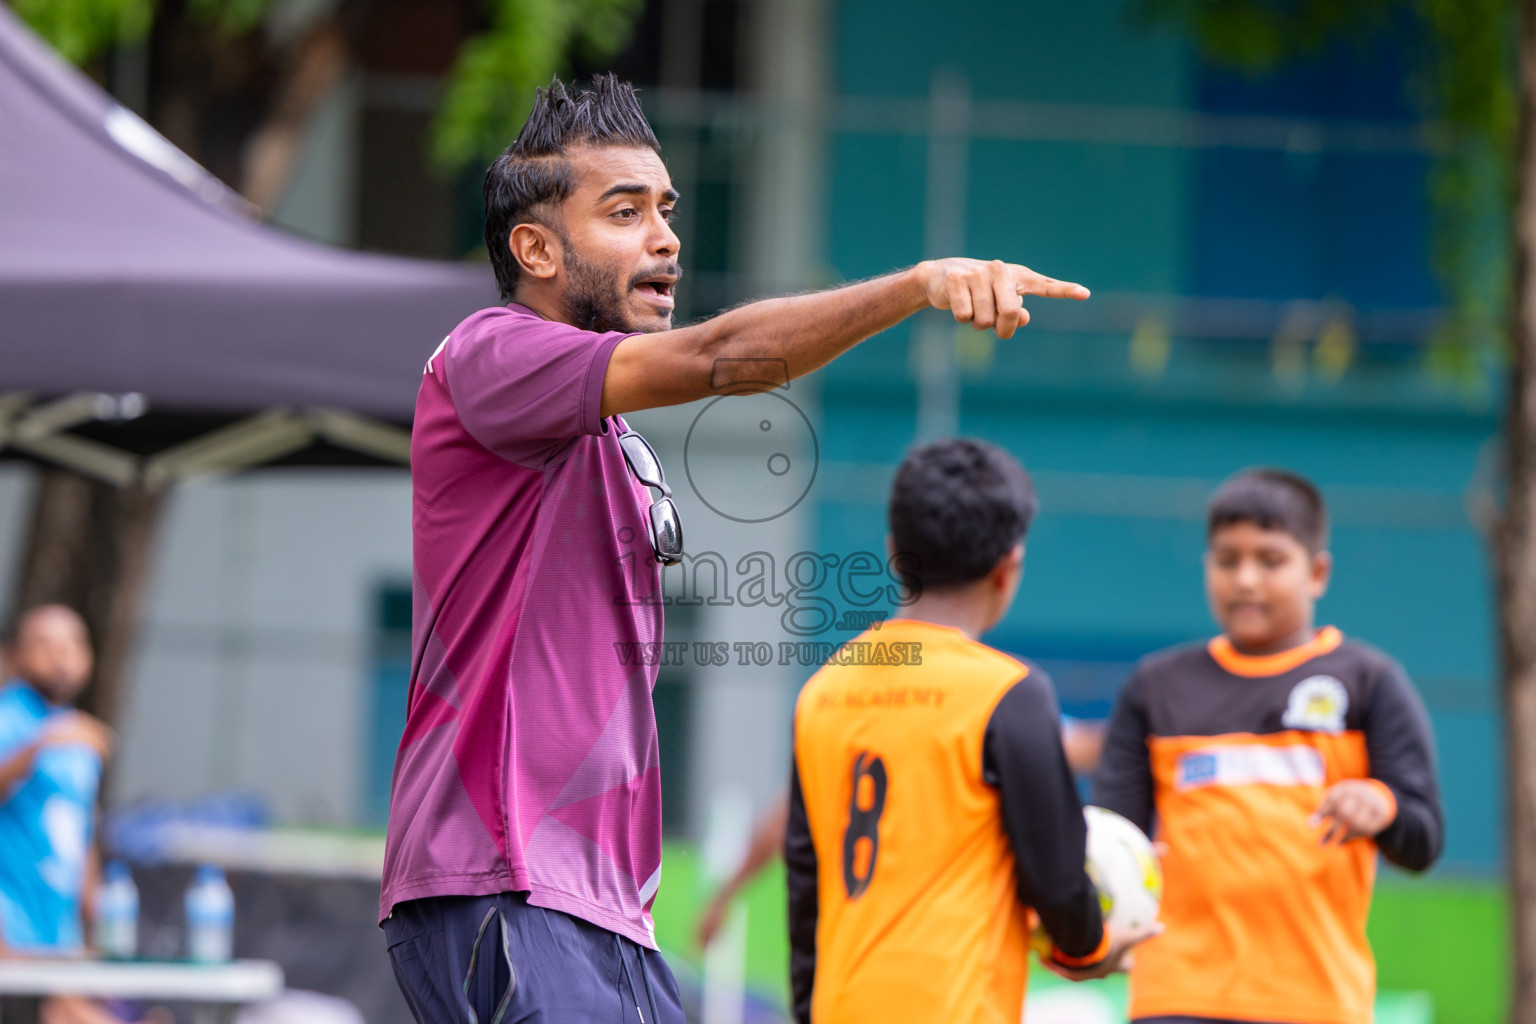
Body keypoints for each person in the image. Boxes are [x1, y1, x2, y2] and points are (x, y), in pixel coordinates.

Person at [380, 73, 1093, 1024]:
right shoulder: (489, 353)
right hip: (504, 877)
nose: (667, 237)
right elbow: (725, 361)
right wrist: (920, 285)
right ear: (536, 248)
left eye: (666, 211)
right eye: (625, 212)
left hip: (603, 908)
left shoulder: (609, 435)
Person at [784, 439, 1156, 1024]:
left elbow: (806, 889)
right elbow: (1056, 877)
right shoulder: (1009, 693)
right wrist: (1088, 946)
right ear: (1009, 568)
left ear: (893, 553)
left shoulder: (821, 692)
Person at [1092, 469, 1444, 1024]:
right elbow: (1113, 838)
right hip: (1178, 993)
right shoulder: (1156, 687)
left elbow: (1424, 840)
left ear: (1318, 572)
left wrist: (1382, 805)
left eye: (1271, 560)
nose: (1246, 579)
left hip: (1316, 997)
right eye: (1227, 559)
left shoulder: (1369, 681)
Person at [694, 719, 1106, 949]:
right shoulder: (982, 718)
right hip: (928, 948)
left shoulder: (850, 735)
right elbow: (1078, 747)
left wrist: (724, 897)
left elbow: (779, 819)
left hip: (852, 951)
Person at [0, 604, 112, 954]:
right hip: (13, 911)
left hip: (58, 916)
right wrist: (42, 744)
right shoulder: (10, 718)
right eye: (45, 644)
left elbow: (82, 820)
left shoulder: (76, 730)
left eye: (72, 645)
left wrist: (92, 901)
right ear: (15, 654)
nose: (60, 656)